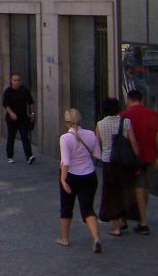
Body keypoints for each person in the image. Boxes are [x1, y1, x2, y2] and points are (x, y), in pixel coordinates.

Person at [58, 108, 103, 253]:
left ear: (66, 122)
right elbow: (97, 155)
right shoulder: (90, 134)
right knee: (88, 208)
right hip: (89, 174)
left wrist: (63, 179)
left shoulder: (65, 138)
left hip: (71, 175)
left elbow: (66, 161)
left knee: (66, 206)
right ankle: (96, 238)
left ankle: (64, 238)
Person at [121, 89, 158, 235]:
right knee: (145, 186)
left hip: (134, 158)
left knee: (138, 187)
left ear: (129, 100)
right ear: (142, 100)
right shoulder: (153, 115)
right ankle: (141, 216)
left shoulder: (125, 116)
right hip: (151, 156)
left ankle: (143, 221)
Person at [95, 97, 140, 236]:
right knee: (125, 190)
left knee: (111, 193)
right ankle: (124, 219)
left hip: (109, 162)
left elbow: (98, 146)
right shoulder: (126, 122)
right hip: (125, 162)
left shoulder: (100, 125)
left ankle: (116, 226)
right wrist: (137, 161)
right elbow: (133, 143)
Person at [3, 73, 36, 163]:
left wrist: (32, 113)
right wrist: (11, 113)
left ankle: (29, 156)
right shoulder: (8, 91)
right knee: (11, 137)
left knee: (25, 136)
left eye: (18, 80)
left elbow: (30, 102)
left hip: (23, 117)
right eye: (15, 80)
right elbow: (5, 105)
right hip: (11, 119)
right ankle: (10, 156)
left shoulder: (25, 90)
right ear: (11, 81)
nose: (17, 82)